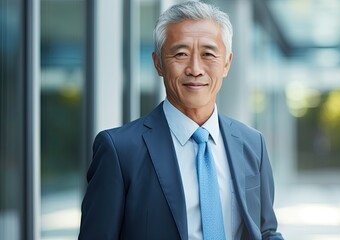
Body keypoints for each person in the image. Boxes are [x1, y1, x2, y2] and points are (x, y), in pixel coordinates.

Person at [78, 1, 283, 239]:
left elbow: (266, 230)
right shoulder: (119, 150)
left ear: (226, 63)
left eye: (208, 54)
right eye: (181, 54)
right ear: (158, 63)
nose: (195, 69)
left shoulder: (252, 143)